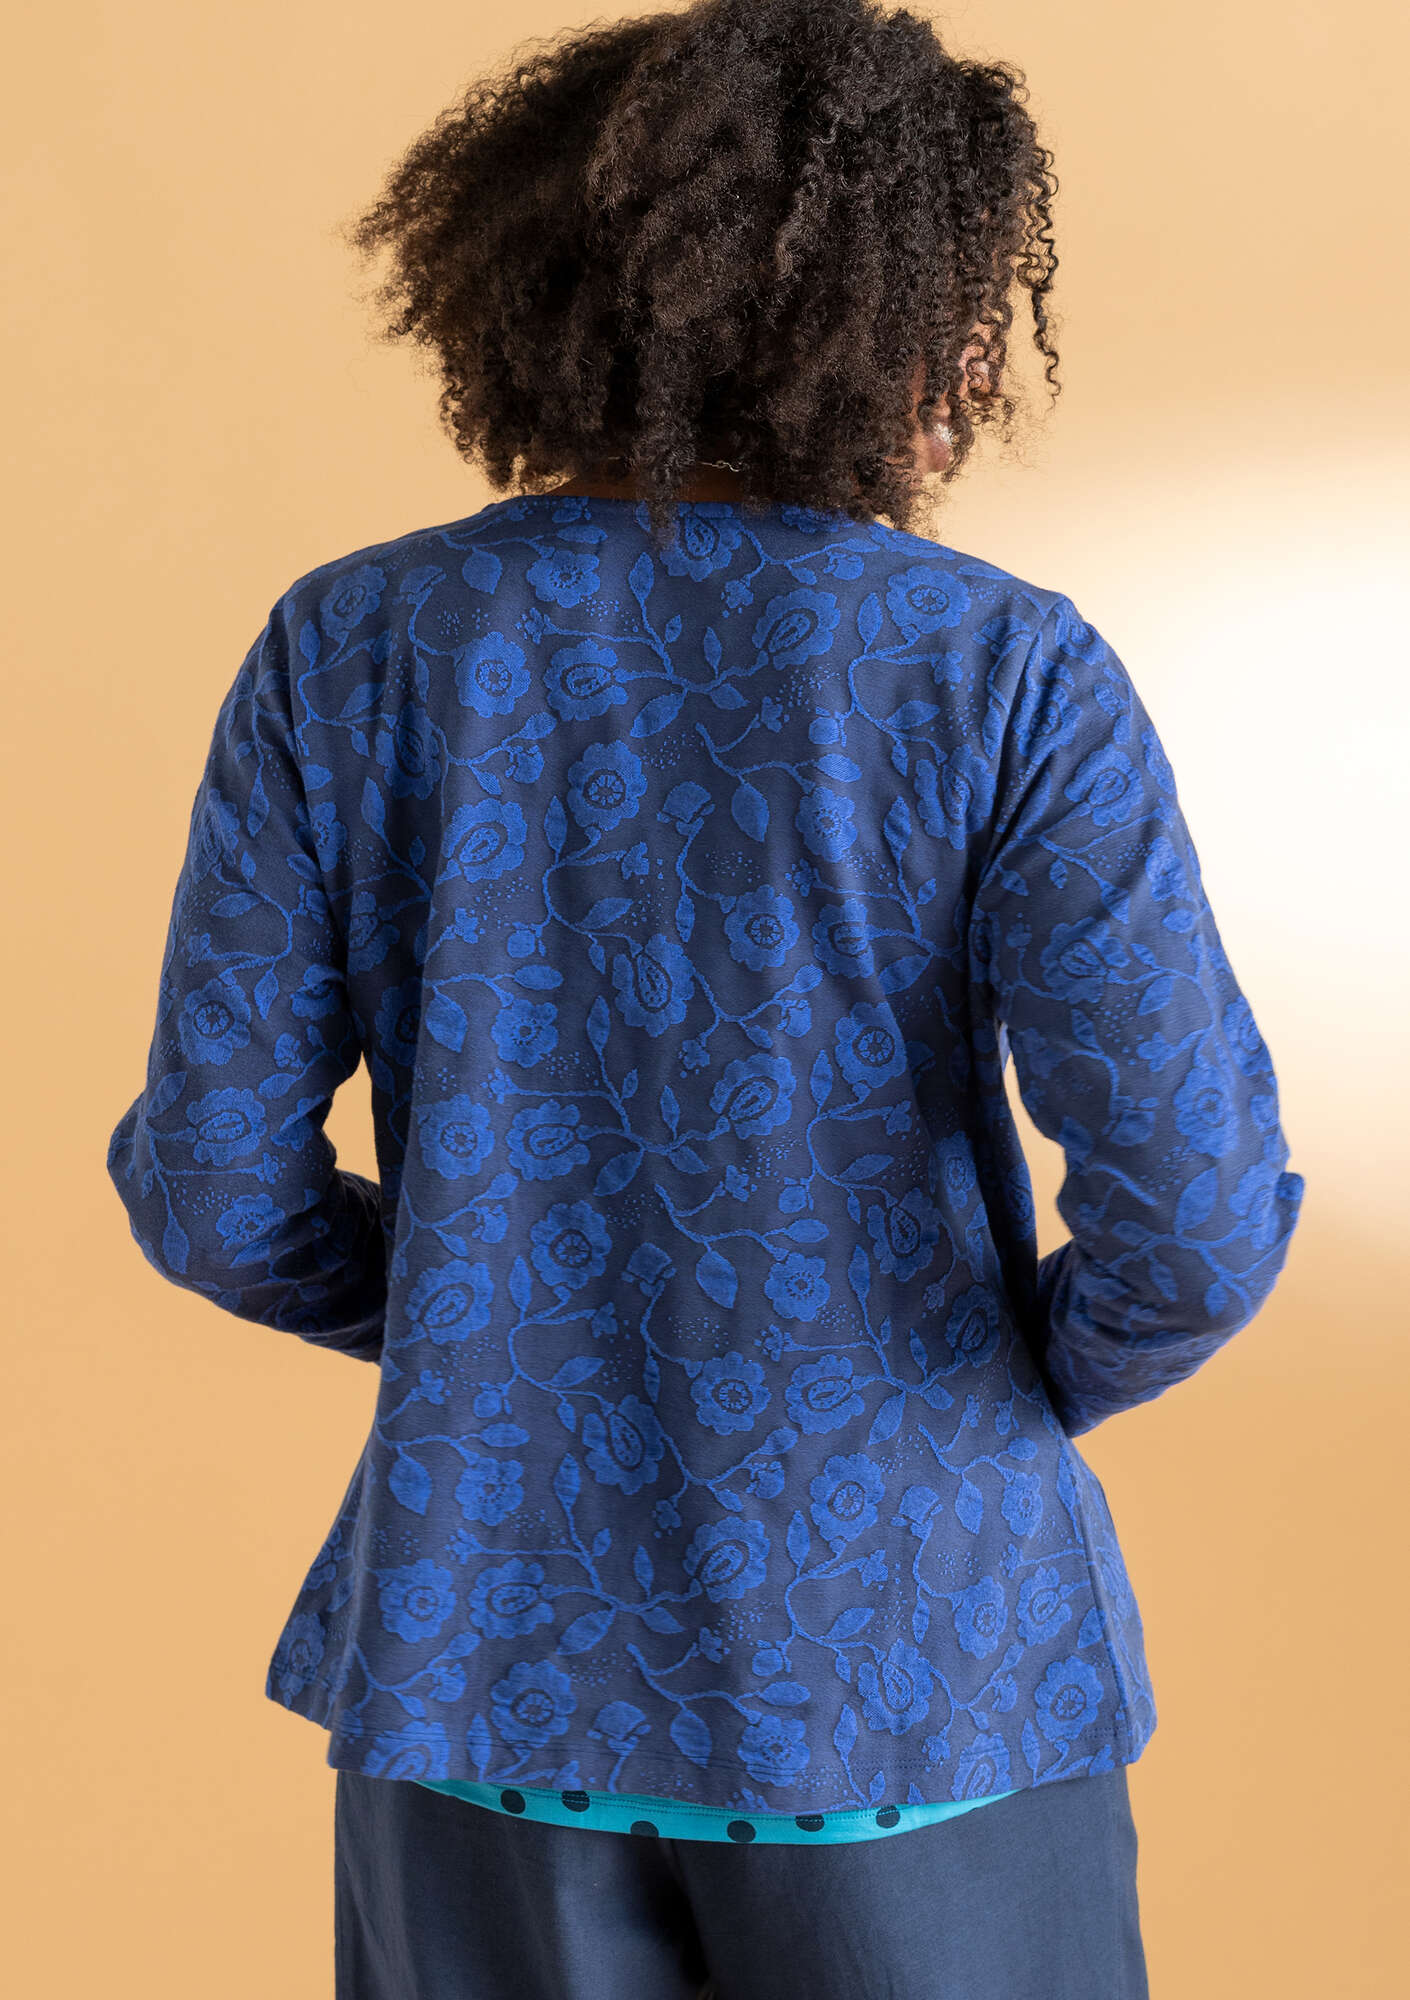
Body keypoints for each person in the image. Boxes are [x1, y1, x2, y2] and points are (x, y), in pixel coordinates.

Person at [105, 1, 1306, 1994]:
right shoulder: (1002, 673)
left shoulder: (350, 649)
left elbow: (218, 1191)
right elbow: (1194, 1220)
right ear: (898, 315)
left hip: (480, 1678)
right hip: (920, 1678)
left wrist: (508, 1328)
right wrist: (984, 1387)